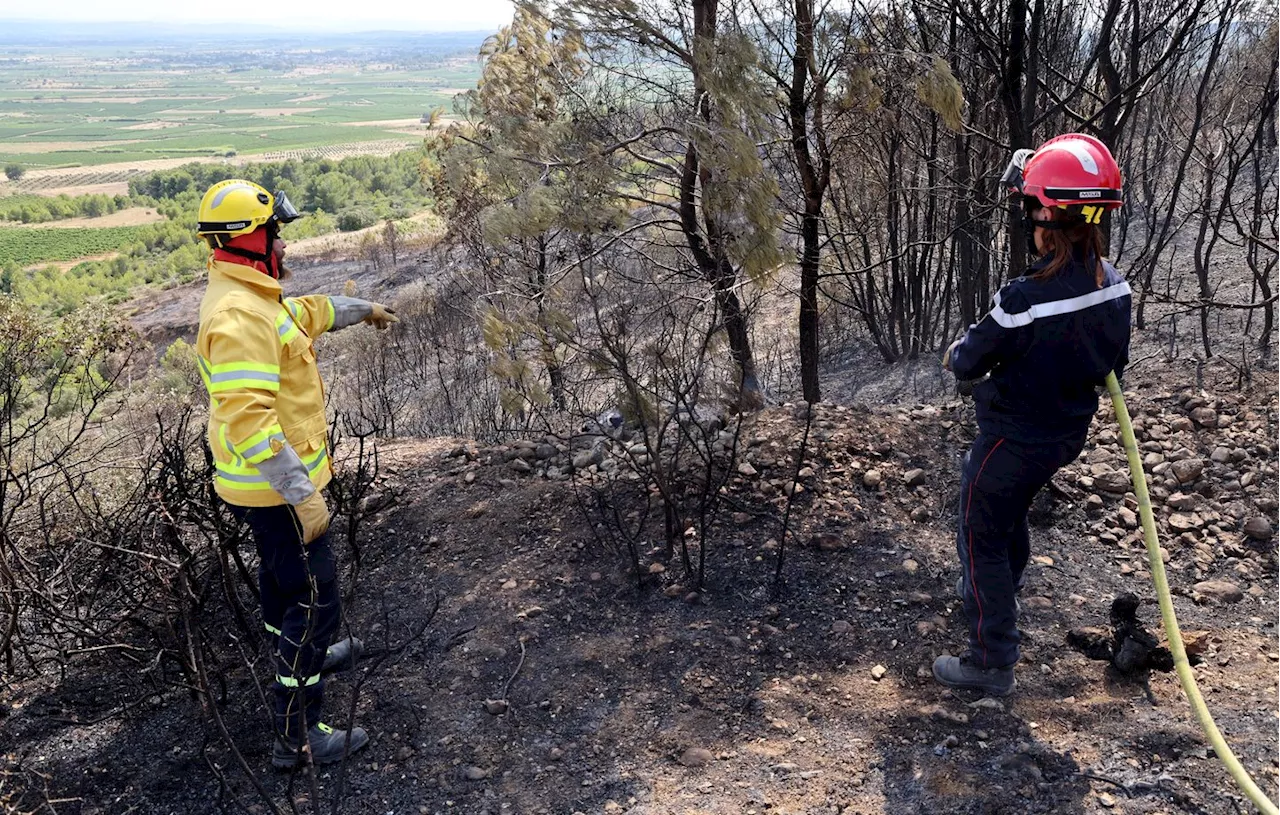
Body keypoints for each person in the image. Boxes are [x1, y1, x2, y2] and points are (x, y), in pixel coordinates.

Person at [194, 179, 399, 767]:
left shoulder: (251, 293)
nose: (283, 241)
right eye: (276, 231)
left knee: (286, 584)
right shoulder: (238, 315)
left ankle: (314, 650)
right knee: (312, 600)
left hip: (270, 489)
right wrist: (303, 494)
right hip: (274, 488)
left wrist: (361, 310)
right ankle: (299, 735)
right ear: (251, 237)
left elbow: (300, 318)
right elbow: (250, 424)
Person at [933, 134, 1132, 696]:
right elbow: (1114, 362)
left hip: (1011, 440)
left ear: (1048, 215)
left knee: (978, 530)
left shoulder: (1023, 299)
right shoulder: (1114, 286)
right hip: (1063, 437)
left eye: (1028, 205)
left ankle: (991, 660)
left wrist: (954, 353)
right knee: (1007, 515)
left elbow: (967, 360)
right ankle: (997, 593)